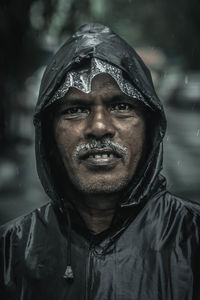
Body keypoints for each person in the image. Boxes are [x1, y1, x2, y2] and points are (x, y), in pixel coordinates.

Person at [0, 23, 200, 300]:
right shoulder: (11, 251)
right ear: (48, 133)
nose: (98, 126)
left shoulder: (192, 240)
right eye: (75, 109)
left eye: (121, 106)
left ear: (150, 127)